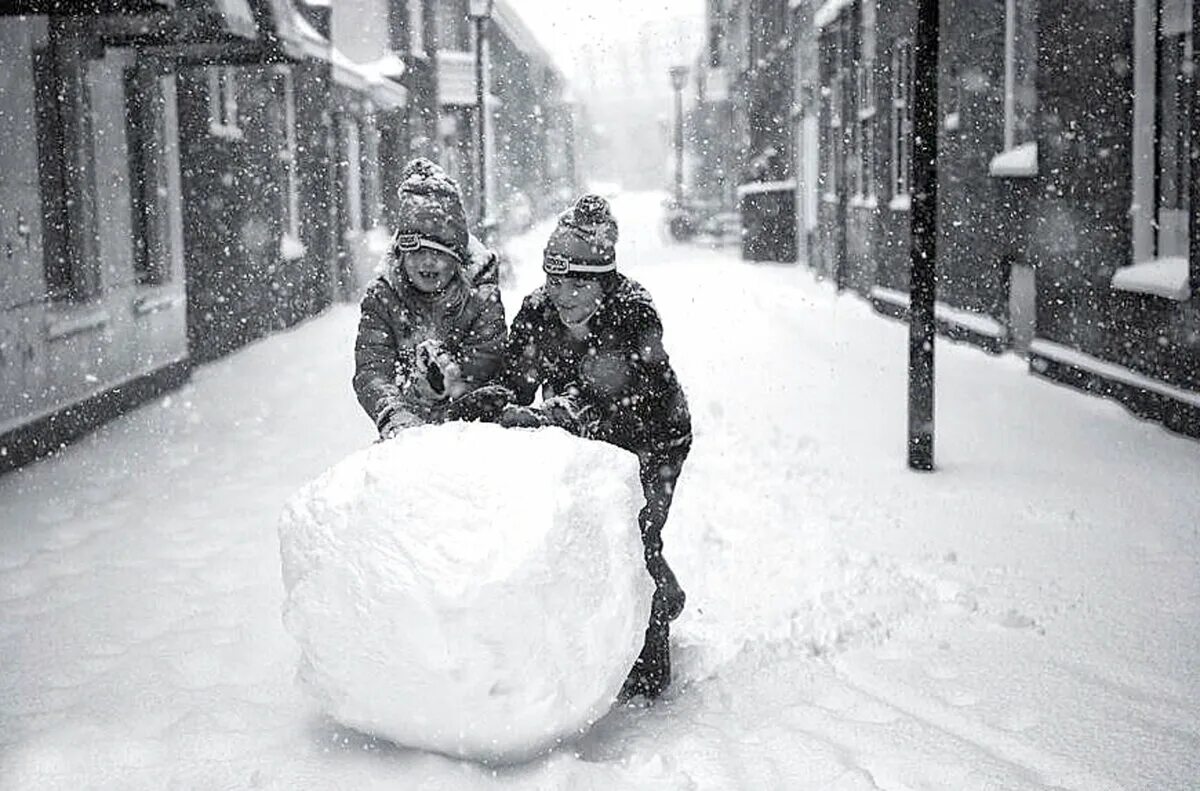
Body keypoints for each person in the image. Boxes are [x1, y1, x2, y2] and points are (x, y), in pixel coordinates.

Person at [499, 194, 692, 700]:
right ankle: (662, 594)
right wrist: (485, 404)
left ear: (602, 281)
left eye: (575, 282)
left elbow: (616, 395)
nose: (560, 293)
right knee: (593, 535)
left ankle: (650, 668)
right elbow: (515, 381)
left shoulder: (634, 316)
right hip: (584, 443)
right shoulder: (538, 313)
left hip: (653, 442)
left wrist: (558, 413)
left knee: (635, 533)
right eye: (553, 279)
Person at [353, 158, 508, 439]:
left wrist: (450, 385)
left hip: (472, 428)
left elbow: (488, 359)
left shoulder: (480, 296)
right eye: (417, 252)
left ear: (457, 259)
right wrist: (395, 411)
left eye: (438, 253)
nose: (427, 263)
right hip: (407, 426)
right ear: (402, 255)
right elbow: (372, 369)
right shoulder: (383, 297)